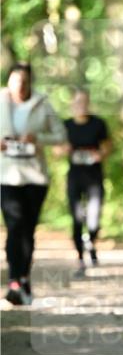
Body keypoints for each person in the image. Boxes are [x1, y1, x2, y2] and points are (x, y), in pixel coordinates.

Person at [0, 62, 66, 305]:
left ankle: (24, 278)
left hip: (35, 177)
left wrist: (37, 138)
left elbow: (60, 135)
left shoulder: (42, 103)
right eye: (16, 81)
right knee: (15, 225)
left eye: (25, 81)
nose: (20, 85)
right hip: (6, 175)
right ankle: (14, 280)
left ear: (30, 83)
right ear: (8, 82)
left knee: (27, 229)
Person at [63, 88, 112, 276]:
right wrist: (65, 149)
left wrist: (98, 154)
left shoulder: (98, 124)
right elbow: (58, 149)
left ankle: (90, 241)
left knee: (94, 218)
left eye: (84, 101)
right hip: (75, 176)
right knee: (76, 218)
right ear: (72, 104)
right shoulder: (66, 125)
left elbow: (108, 147)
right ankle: (80, 259)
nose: (81, 105)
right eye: (77, 102)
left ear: (88, 103)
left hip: (94, 177)